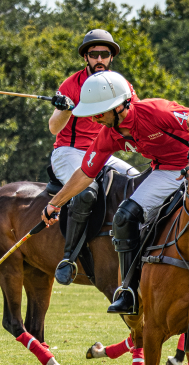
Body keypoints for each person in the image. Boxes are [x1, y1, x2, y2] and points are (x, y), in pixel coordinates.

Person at [43, 71, 189, 312]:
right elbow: (85, 173)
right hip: (167, 172)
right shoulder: (109, 134)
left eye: (99, 112)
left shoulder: (157, 111)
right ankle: (129, 291)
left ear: (119, 106)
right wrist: (55, 203)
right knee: (124, 217)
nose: (95, 119)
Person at [48, 29, 139, 286]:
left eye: (104, 54)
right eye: (93, 54)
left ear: (111, 57)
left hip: (103, 150)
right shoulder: (71, 85)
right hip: (69, 150)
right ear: (85, 58)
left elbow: (135, 118)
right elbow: (54, 128)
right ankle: (68, 258)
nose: (99, 59)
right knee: (87, 191)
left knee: (137, 182)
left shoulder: (121, 85)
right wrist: (65, 109)